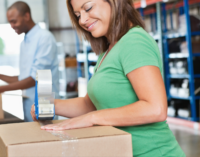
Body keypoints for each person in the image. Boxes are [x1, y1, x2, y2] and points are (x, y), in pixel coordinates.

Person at [30, 0, 185, 156]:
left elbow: (155, 108)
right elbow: (91, 104)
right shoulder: (108, 50)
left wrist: (92, 118)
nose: (82, 20)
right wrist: (51, 105)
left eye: (88, 8)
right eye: (78, 15)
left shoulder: (134, 41)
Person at [0, 1, 59, 122]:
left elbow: (34, 79)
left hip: (44, 102)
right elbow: (24, 78)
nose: (12, 26)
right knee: (32, 137)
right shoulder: (24, 42)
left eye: (14, 21)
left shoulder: (44, 38)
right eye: (10, 22)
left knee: (46, 138)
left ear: (26, 16)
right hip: (28, 103)